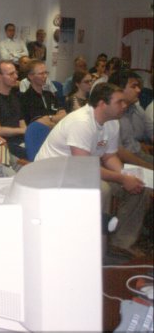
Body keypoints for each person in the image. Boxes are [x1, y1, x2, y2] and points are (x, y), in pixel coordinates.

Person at [36, 83, 150, 257]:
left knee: (138, 186)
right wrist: (121, 179)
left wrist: (126, 176)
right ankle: (95, 249)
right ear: (102, 104)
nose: (124, 105)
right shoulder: (81, 122)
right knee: (102, 189)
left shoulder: (112, 122)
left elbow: (109, 156)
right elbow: (83, 166)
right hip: (52, 172)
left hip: (78, 169)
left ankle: (121, 243)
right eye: (119, 102)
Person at [0, 60, 27, 159]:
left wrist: (25, 132)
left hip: (20, 140)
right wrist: (22, 130)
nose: (16, 76)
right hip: (4, 143)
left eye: (16, 73)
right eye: (11, 74)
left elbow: (21, 121)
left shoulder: (16, 96)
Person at [109, 71, 153, 167]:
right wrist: (147, 166)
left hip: (139, 155)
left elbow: (151, 132)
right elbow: (119, 152)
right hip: (122, 162)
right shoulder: (111, 115)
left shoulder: (137, 109)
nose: (138, 90)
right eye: (134, 87)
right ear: (119, 90)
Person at [19, 60, 66, 127]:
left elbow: (63, 114)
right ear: (30, 76)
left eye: (46, 73)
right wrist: (56, 121)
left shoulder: (49, 95)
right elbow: (40, 122)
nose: (45, 76)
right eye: (41, 74)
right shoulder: (26, 98)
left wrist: (50, 117)